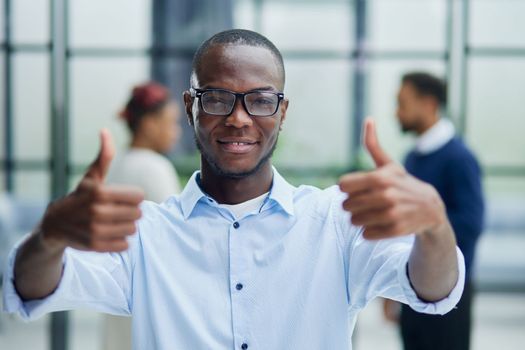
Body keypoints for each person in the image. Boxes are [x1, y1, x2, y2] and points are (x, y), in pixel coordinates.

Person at [3, 30, 465, 350]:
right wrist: (49, 236)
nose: (239, 117)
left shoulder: (334, 224)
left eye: (261, 100)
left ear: (282, 112)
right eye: (218, 97)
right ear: (191, 107)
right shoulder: (145, 233)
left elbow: (433, 287)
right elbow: (31, 286)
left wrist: (435, 227)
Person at [383, 72, 484, 350]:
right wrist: (392, 293)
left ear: (428, 104)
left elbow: (471, 224)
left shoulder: (460, 158)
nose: (397, 113)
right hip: (414, 285)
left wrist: (426, 223)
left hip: (450, 289)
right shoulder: (413, 158)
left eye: (403, 104)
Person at [102, 82, 183, 350]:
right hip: (150, 287)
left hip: (118, 283)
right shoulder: (155, 168)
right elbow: (175, 235)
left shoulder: (118, 164)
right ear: (149, 124)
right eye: (171, 122)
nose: (176, 132)